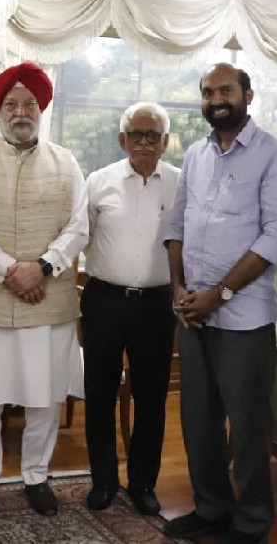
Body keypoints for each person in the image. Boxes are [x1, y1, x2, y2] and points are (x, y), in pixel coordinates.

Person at [163, 62, 277, 544]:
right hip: (193, 315)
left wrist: (218, 294)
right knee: (198, 421)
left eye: (225, 90)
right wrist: (179, 289)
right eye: (207, 92)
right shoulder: (196, 156)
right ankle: (212, 509)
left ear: (247, 95)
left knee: (248, 428)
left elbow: (274, 237)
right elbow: (176, 225)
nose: (216, 98)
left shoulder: (275, 157)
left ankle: (252, 521)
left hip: (242, 319)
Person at [0, 61, 88, 520]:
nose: (21, 111)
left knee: (44, 395)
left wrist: (42, 268)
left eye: (29, 103)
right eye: (11, 104)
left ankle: (36, 475)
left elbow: (79, 227)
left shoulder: (66, 162)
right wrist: (11, 270)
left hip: (47, 300)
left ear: (41, 109)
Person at [81, 101, 180, 515]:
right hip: (103, 299)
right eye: (135, 135)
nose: (143, 142)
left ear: (165, 142)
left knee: (151, 397)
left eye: (152, 135)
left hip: (157, 305)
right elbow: (77, 239)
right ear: (122, 140)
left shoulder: (181, 184)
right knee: (99, 394)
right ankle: (103, 481)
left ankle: (143, 483)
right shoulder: (98, 182)